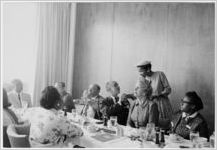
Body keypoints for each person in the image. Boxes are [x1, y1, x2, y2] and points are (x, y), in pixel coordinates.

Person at [136, 60, 173, 128]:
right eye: (139, 71)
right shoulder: (143, 79)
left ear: (148, 69)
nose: (140, 73)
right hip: (149, 105)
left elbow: (168, 89)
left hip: (161, 104)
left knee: (163, 125)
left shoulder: (159, 74)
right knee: (151, 124)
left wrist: (158, 94)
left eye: (141, 71)